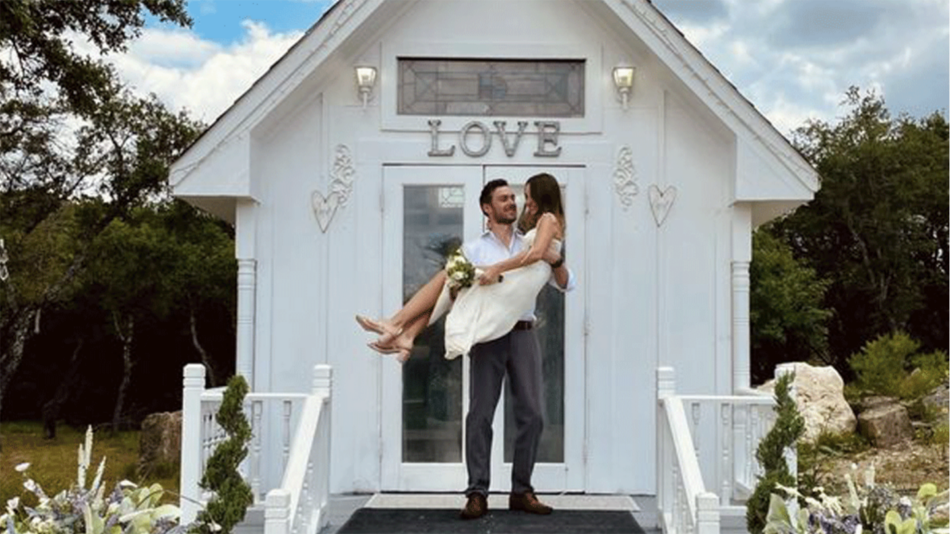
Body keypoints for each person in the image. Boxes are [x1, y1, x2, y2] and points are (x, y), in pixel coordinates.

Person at [356, 173, 575, 520]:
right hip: (488, 336)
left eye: (513, 198)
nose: (512, 202)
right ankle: (477, 492)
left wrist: (556, 260)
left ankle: (522, 491)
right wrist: (469, 285)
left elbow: (565, 284)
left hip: (522, 333)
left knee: (532, 415)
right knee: (480, 415)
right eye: (503, 199)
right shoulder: (474, 249)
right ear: (487, 208)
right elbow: (454, 294)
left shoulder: (532, 240)